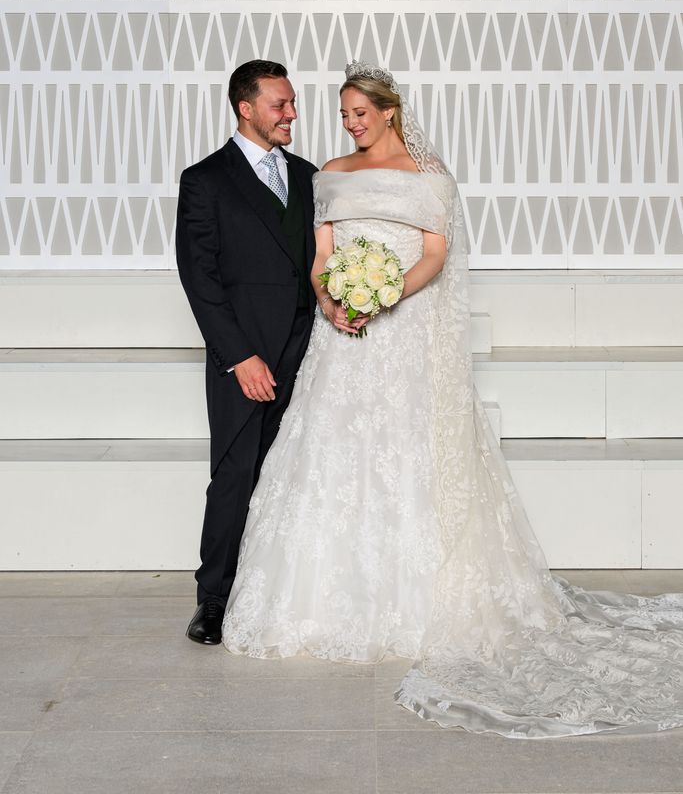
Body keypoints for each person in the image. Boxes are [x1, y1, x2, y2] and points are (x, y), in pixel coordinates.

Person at [221, 59, 683, 738]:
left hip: (402, 332)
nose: (348, 123)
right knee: (336, 458)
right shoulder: (329, 176)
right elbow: (321, 255)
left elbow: (434, 254)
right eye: (342, 113)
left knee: (408, 457)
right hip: (341, 339)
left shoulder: (429, 176)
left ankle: (417, 603)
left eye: (358, 112)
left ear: (387, 112)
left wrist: (381, 296)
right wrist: (333, 301)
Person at [175, 59, 318, 645]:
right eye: (280, 105)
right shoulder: (206, 180)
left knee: (292, 476)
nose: (291, 114)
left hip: (308, 352)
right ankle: (213, 600)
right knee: (235, 474)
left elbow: (316, 262)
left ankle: (279, 593)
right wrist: (239, 357)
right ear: (246, 108)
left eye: (291, 103)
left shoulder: (309, 176)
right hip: (247, 357)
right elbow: (198, 275)